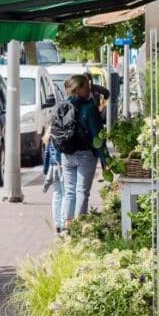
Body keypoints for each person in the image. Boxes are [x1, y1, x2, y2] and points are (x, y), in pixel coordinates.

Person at [57, 74, 103, 226]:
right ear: (79, 89)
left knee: (69, 192)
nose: (90, 89)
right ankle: (79, 228)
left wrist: (58, 156)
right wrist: (105, 159)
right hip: (85, 155)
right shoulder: (90, 108)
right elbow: (97, 137)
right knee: (82, 192)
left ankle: (68, 226)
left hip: (66, 154)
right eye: (87, 87)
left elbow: (58, 133)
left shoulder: (62, 105)